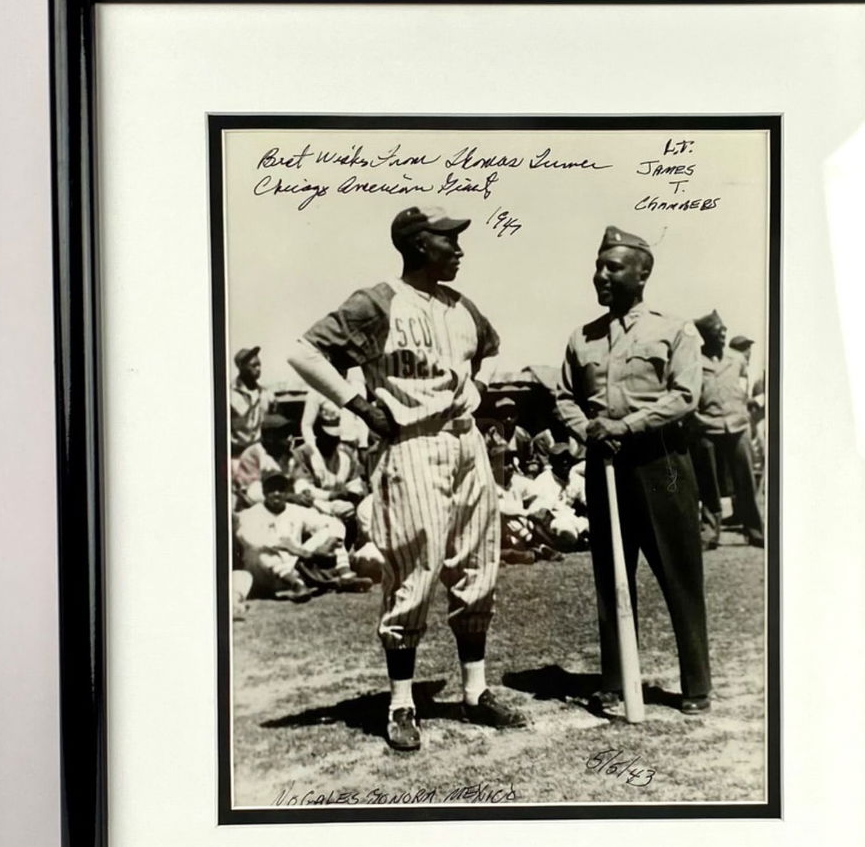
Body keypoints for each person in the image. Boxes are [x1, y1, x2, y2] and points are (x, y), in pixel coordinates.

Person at [288, 205, 526, 752]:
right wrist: (357, 405)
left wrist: (477, 388)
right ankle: (401, 703)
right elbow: (304, 352)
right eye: (449, 240)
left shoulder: (461, 305)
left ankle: (475, 692)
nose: (459, 249)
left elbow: (489, 351)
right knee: (413, 569)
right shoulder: (379, 301)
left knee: (478, 565)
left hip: (466, 441)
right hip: (413, 443)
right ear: (420, 245)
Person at [553, 225, 711, 716]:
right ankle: (616, 678)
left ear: (642, 274)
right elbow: (564, 396)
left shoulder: (675, 330)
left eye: (613, 267)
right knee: (611, 574)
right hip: (604, 465)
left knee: (679, 573)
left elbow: (684, 396)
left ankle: (696, 684)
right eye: (598, 266)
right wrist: (589, 429)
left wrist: (626, 425)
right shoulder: (582, 337)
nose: (601, 275)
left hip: (662, 464)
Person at [689, 312, 764, 548]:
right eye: (716, 332)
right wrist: (696, 418)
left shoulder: (737, 359)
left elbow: (743, 386)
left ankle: (755, 531)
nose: (722, 335)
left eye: (723, 331)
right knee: (708, 484)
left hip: (737, 426)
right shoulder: (694, 360)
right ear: (705, 336)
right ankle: (709, 533)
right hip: (707, 427)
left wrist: (744, 409)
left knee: (745, 481)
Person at [234, 475, 350, 603]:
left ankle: (346, 575)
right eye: (271, 490)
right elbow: (246, 536)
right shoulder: (251, 514)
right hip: (265, 576)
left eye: (281, 489)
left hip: (295, 566)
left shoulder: (295, 510)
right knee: (262, 553)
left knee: (329, 533)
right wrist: (286, 546)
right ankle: (297, 586)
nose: (276, 494)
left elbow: (332, 523)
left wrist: (328, 544)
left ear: (287, 493)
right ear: (264, 492)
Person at [288, 405, 366, 520]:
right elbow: (303, 489)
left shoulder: (345, 454)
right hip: (315, 506)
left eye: (335, 437)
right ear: (317, 434)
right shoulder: (305, 453)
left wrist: (352, 494)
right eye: (327, 437)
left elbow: (355, 484)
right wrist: (331, 495)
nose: (332, 441)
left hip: (340, 506)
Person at [229, 346, 266, 458]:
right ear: (242, 367)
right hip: (235, 453)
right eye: (254, 365)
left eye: (259, 365)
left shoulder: (264, 393)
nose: (258, 368)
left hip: (258, 451)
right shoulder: (229, 393)